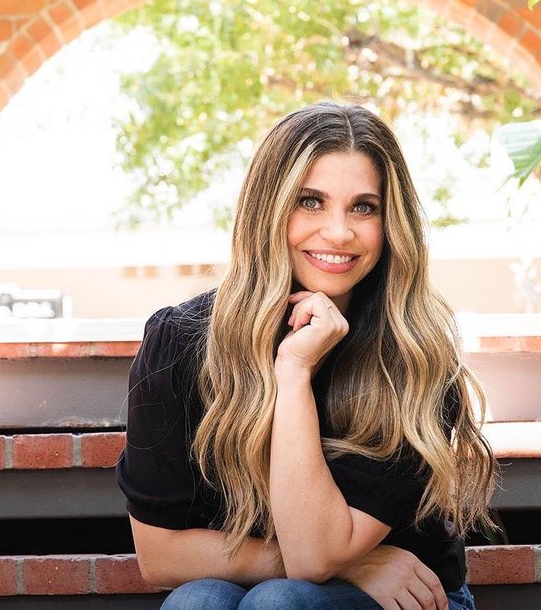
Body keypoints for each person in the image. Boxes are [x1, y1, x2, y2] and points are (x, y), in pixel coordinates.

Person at [116, 101, 496, 610]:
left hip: (406, 602)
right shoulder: (181, 341)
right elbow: (159, 557)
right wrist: (362, 564)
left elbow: (314, 558)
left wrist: (293, 372)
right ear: (267, 210)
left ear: (391, 222)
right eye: (310, 201)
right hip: (280, 589)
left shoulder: (411, 352)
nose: (339, 232)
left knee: (279, 603)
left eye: (364, 207)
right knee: (198, 602)